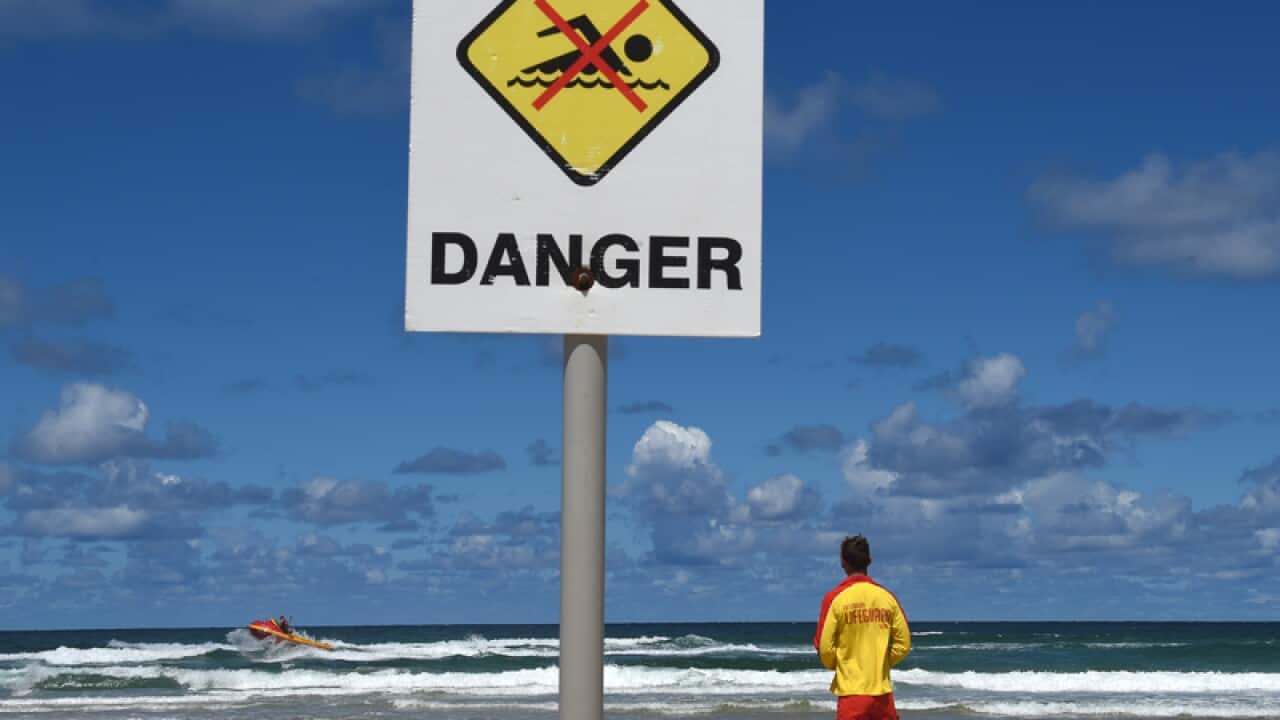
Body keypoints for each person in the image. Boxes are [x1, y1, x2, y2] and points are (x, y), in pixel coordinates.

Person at [814, 535, 911, 720]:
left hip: (851, 694)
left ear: (843, 562)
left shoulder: (834, 598)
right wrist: (880, 661)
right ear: (869, 561)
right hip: (882, 696)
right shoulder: (887, 597)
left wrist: (842, 664)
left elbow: (824, 648)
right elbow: (903, 644)